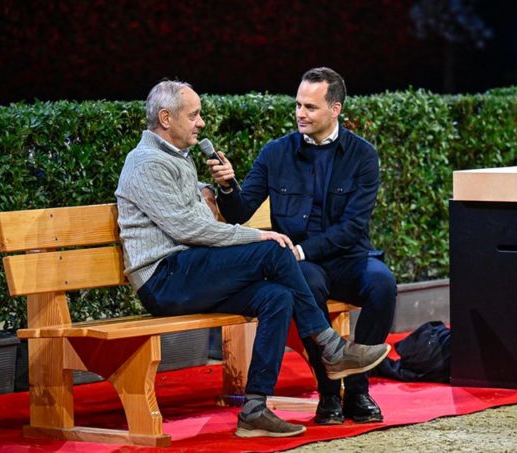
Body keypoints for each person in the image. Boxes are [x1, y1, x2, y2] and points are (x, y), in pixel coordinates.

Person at [115, 80, 390, 438]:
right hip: (165, 279)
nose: (200, 123)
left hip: (190, 271)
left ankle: (255, 407)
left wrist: (216, 192)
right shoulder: (146, 162)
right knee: (273, 249)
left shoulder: (177, 159)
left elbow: (198, 223)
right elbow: (188, 229)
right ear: (166, 118)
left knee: (276, 297)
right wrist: (259, 235)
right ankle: (332, 346)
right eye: (194, 115)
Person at [205, 67, 397, 424]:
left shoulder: (362, 156)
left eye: (310, 107)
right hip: (302, 266)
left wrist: (303, 250)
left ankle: (357, 392)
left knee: (383, 284)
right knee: (306, 284)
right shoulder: (276, 152)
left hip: (346, 257)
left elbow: (353, 227)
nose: (300, 113)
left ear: (335, 109)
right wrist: (229, 186)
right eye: (297, 105)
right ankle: (328, 395)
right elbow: (241, 212)